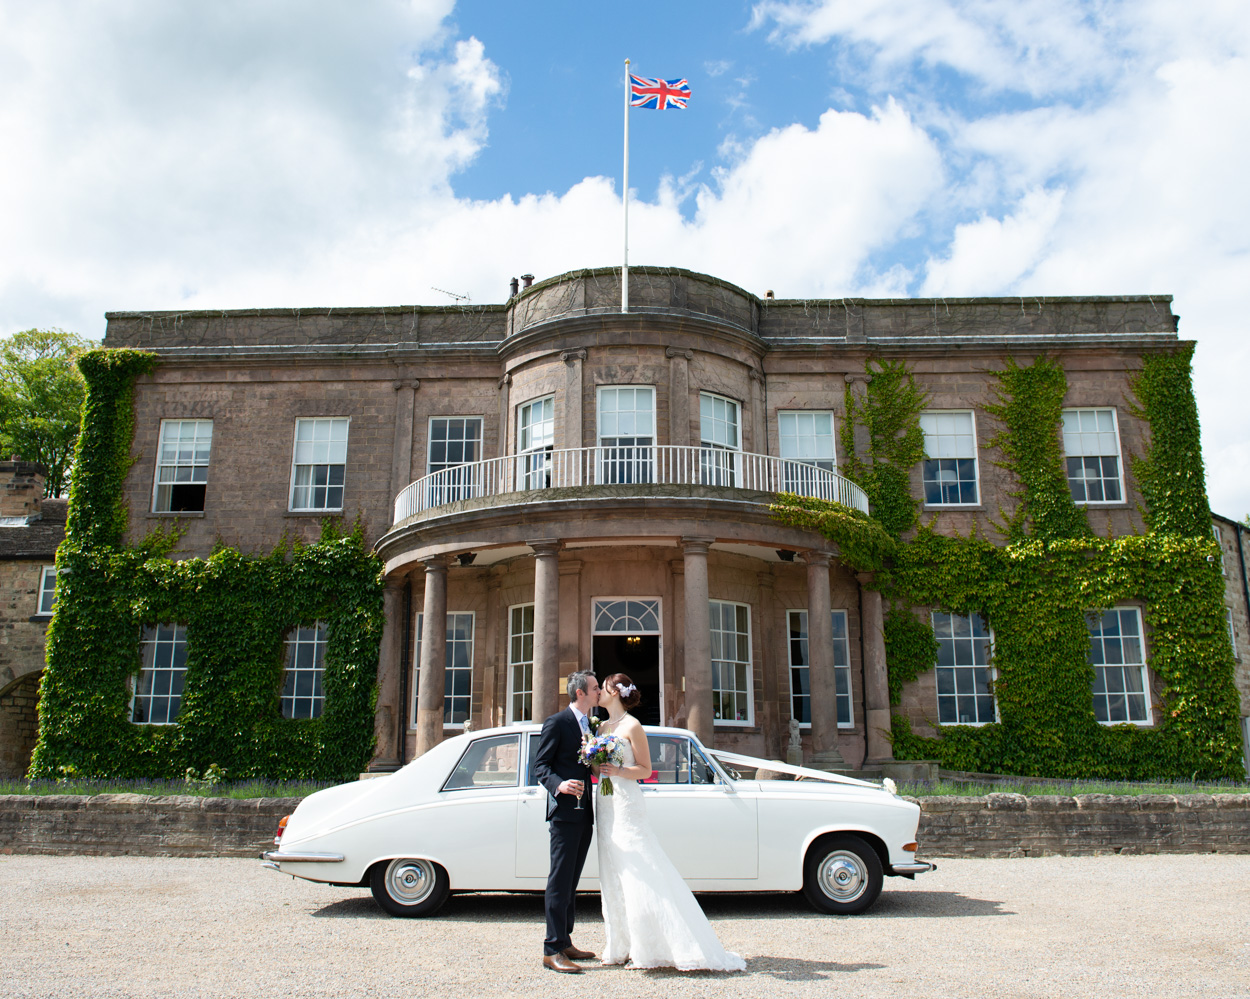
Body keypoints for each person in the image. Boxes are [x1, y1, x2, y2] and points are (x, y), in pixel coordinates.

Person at [595, 672, 747, 971]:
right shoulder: (600, 727)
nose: (598, 690)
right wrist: (596, 763)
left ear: (615, 692)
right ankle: (619, 945)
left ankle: (648, 947)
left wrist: (618, 771)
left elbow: (645, 769)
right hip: (604, 801)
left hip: (625, 802)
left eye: (603, 687)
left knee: (639, 867)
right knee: (612, 871)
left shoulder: (632, 726)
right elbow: (598, 768)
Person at [531, 671, 600, 974]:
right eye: (595, 688)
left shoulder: (590, 725)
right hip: (563, 813)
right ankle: (552, 950)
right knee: (559, 881)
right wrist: (560, 785)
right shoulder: (557, 722)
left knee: (572, 881)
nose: (599, 692)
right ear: (580, 693)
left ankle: (565, 940)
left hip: (584, 813)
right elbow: (540, 766)